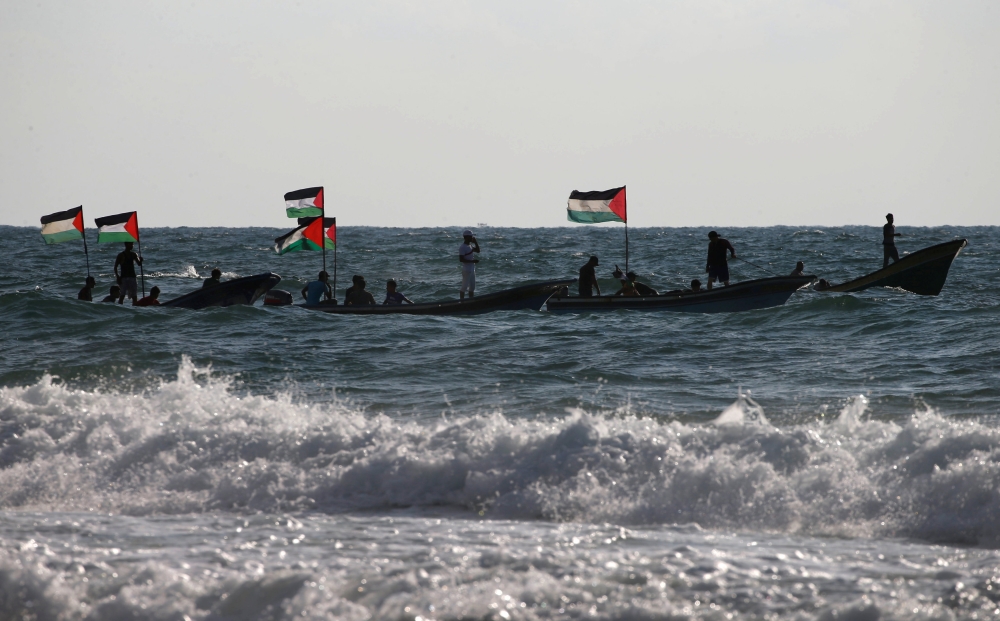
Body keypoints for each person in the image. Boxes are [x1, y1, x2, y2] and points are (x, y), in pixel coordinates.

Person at [458, 229, 480, 300]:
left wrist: (475, 242)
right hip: (466, 270)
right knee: (464, 287)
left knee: (472, 288)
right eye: (471, 237)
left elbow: (478, 251)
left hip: (472, 269)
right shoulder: (462, 247)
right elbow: (461, 259)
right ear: (466, 237)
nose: (472, 238)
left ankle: (471, 301)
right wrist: (472, 261)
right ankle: (462, 302)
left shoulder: (470, 246)